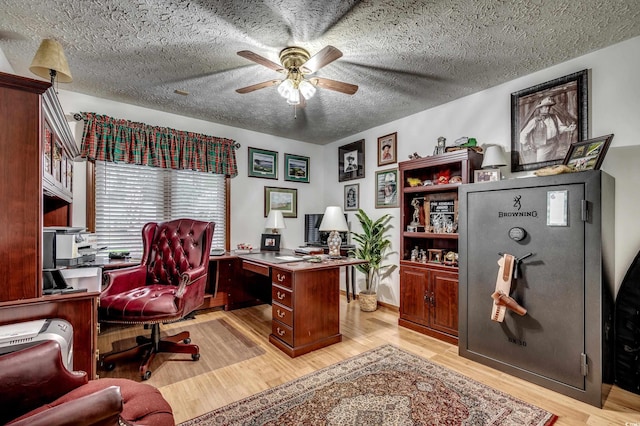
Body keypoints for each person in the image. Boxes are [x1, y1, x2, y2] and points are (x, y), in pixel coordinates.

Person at [519, 96, 577, 163]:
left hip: (554, 144)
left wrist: (568, 128)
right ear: (540, 108)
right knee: (541, 164)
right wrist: (525, 144)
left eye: (549, 106)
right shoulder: (535, 120)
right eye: (546, 106)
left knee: (552, 163)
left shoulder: (554, 117)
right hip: (542, 147)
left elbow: (560, 128)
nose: (548, 108)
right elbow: (523, 133)